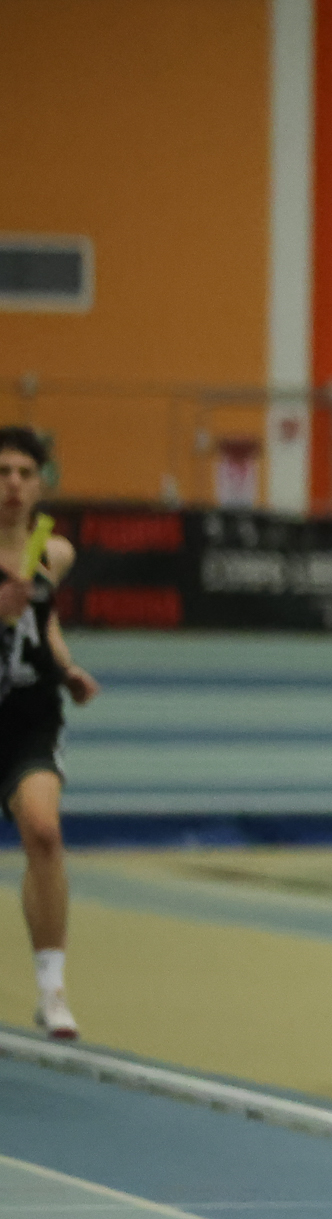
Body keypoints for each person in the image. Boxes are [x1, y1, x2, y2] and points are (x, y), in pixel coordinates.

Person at [0, 428, 91, 1040]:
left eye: (24, 473)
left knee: (44, 831)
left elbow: (44, 620)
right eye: (2, 472)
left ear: (40, 484)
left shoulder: (51, 553)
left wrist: (67, 669)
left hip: (29, 716)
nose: (13, 484)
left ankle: (52, 988)